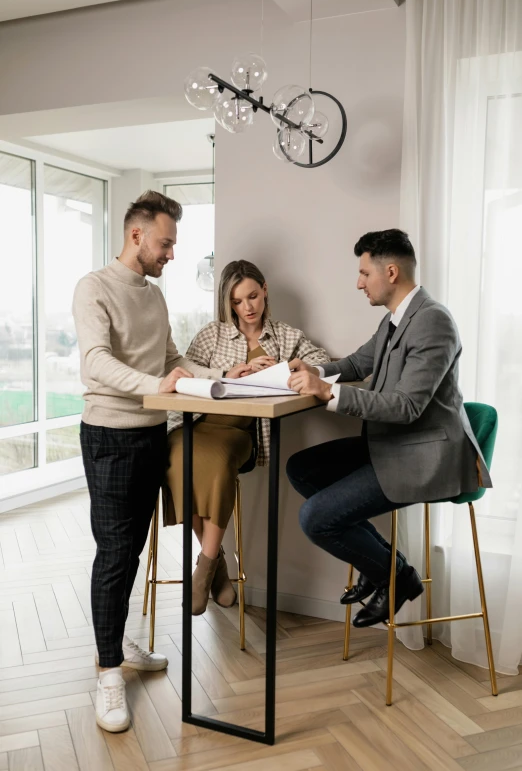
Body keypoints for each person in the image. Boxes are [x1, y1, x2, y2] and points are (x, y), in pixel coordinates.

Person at [286, 229, 491, 628]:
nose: (359, 282)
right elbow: (359, 363)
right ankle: (390, 568)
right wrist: (316, 370)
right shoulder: (396, 319)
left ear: (391, 272)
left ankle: (391, 577)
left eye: (364, 273)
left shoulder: (433, 322)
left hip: (423, 456)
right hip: (393, 444)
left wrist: (328, 392)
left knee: (315, 518)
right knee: (301, 468)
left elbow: (407, 406)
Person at [73, 191, 224, 733]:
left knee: (133, 549)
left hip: (152, 434)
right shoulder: (94, 288)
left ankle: (113, 638)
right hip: (110, 436)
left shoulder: (154, 296)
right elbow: (96, 363)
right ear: (137, 236)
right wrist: (157, 389)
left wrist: (207, 379)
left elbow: (169, 358)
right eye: (166, 243)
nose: (171, 254)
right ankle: (108, 672)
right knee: (114, 553)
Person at [165, 259, 330, 615]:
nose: (248, 307)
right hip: (197, 424)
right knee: (176, 461)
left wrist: (288, 369)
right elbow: (184, 371)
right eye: (238, 301)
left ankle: (203, 572)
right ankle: (215, 568)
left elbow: (321, 361)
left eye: (253, 296)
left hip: (238, 434)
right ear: (229, 303)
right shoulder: (213, 334)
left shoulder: (286, 336)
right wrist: (227, 373)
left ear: (264, 290)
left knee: (219, 462)